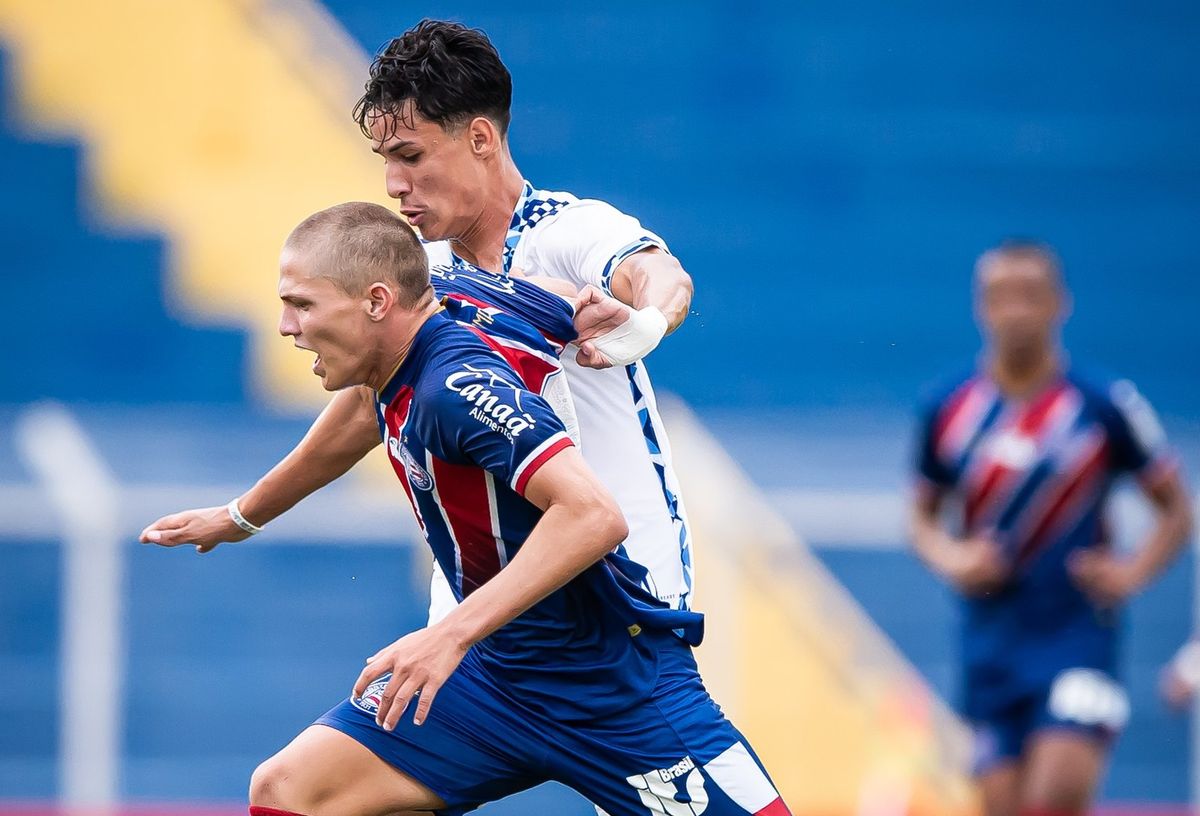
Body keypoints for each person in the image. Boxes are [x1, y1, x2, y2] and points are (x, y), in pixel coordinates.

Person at [146, 202, 790, 816]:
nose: (287, 326)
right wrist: (240, 516)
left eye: (302, 306)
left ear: (376, 302)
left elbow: (594, 516)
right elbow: (363, 415)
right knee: (291, 789)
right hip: (497, 676)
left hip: (610, 685)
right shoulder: (425, 323)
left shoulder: (456, 389)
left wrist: (446, 635)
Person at [141, 19, 699, 623]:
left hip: (620, 603)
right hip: (489, 617)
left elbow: (661, 275)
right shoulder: (419, 270)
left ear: (481, 137)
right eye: (385, 159)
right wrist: (242, 515)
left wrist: (642, 324)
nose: (392, 184)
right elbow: (365, 408)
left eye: (410, 155)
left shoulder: (565, 231)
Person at [909, 240, 1194, 816]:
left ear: (1059, 304)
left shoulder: (1103, 405)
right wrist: (952, 558)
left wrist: (1132, 572)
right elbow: (922, 516)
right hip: (989, 642)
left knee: (1052, 799)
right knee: (1002, 806)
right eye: (1000, 297)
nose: (1016, 310)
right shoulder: (948, 406)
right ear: (980, 307)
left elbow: (1176, 508)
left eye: (1030, 296)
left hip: (1076, 636)